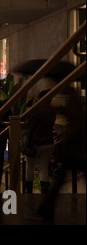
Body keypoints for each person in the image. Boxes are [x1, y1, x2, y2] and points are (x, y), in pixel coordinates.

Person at [28, 86, 86, 223]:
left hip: (74, 149)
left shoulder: (73, 100)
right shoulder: (72, 101)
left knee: (57, 180)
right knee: (56, 178)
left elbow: (78, 123)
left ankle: (45, 209)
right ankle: (45, 209)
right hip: (67, 147)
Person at [22, 90, 56, 193]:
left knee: (30, 166)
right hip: (48, 142)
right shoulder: (52, 111)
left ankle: (29, 190)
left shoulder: (35, 110)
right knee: (43, 167)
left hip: (35, 143)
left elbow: (29, 127)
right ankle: (44, 190)